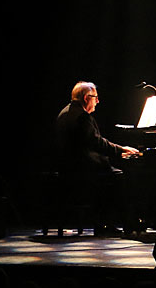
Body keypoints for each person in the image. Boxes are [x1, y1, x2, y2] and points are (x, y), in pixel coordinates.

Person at [55, 81, 141, 235]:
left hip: (69, 167)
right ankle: (121, 224)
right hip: (81, 169)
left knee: (112, 173)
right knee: (118, 177)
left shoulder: (65, 112)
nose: (98, 101)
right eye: (95, 97)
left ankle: (108, 223)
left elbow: (91, 143)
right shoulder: (82, 117)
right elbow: (97, 142)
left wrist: (116, 151)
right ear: (87, 98)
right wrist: (120, 149)